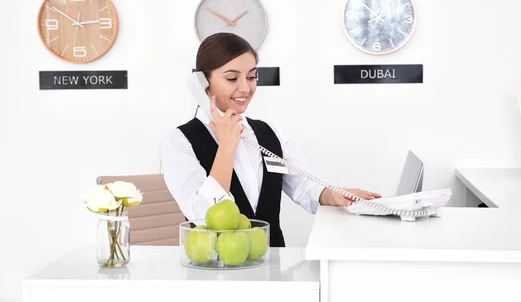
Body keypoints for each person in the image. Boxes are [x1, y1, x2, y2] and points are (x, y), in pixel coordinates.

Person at [160, 32, 380, 247]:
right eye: (232, 78)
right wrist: (226, 147)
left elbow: (304, 184)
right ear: (202, 83)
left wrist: (331, 194)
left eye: (251, 76)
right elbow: (203, 215)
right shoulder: (179, 142)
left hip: (273, 265)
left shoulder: (269, 134)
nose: (245, 88)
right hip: (216, 270)